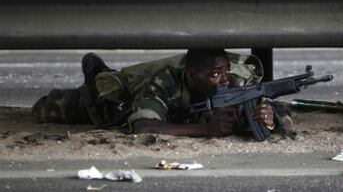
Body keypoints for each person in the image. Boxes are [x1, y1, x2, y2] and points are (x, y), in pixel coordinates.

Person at [32, 49, 293, 138]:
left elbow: (280, 116)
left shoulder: (235, 82)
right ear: (191, 77)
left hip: (182, 113)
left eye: (225, 71)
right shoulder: (164, 82)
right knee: (47, 108)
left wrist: (267, 119)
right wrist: (206, 130)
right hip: (118, 102)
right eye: (215, 74)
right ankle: (99, 76)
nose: (224, 79)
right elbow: (143, 126)